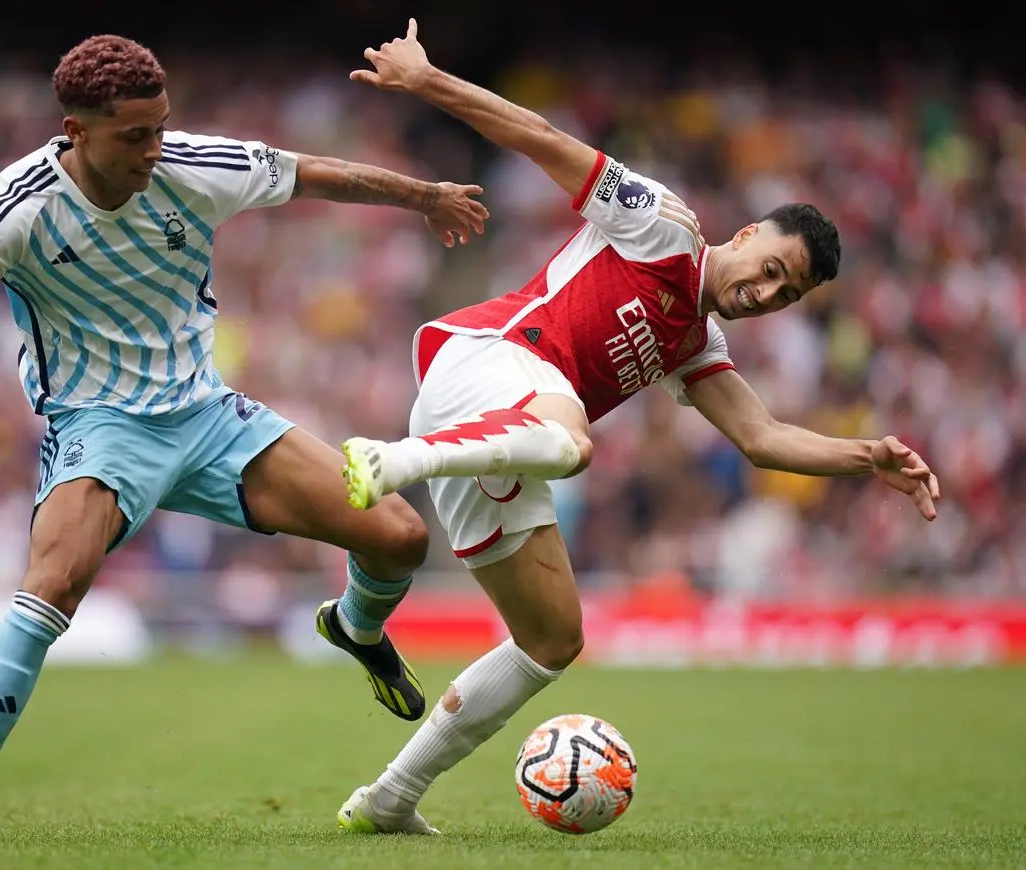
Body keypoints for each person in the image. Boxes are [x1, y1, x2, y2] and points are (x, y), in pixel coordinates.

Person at [328, 20, 942, 835]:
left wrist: (869, 456)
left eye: (786, 296)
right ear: (750, 235)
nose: (766, 295)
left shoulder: (696, 341)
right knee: (576, 442)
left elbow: (761, 437)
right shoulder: (662, 224)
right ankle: (394, 460)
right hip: (489, 360)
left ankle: (390, 799)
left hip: (508, 427)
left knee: (552, 640)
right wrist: (427, 80)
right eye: (771, 272)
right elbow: (543, 139)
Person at [0, 33, 489, 844]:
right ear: (76, 130)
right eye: (134, 136)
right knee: (52, 583)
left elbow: (322, 175)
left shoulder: (196, 165)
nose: (154, 149)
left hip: (208, 419)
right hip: (99, 429)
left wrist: (426, 197)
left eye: (160, 127)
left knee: (400, 536)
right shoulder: (19, 206)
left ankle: (355, 626)